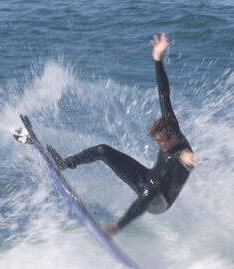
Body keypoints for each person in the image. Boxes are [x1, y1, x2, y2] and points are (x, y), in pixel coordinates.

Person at [47, 33, 196, 235]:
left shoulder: (184, 156)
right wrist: (157, 59)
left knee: (151, 192)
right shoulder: (171, 124)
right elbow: (164, 93)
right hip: (145, 179)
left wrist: (186, 165)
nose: (157, 145)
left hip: (159, 201)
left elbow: (180, 174)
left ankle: (115, 228)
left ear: (173, 138)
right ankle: (65, 164)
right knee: (103, 150)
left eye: (161, 142)